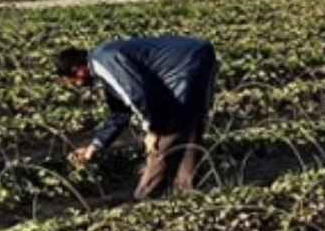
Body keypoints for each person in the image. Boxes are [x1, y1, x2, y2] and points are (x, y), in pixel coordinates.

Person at [56, 36, 217, 200]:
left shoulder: (104, 62)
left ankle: (144, 197)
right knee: (187, 123)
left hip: (186, 63)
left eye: (73, 80)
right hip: (196, 55)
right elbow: (120, 112)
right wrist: (95, 146)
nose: (77, 85)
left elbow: (139, 95)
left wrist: (153, 130)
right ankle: (187, 191)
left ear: (78, 69)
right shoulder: (104, 61)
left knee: (166, 134)